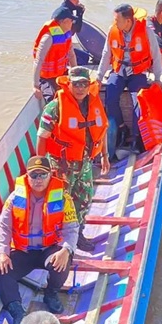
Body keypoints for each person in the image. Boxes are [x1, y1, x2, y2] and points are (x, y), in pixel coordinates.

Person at [0, 156, 79, 324]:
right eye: (34, 175)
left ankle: (51, 293)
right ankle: (17, 309)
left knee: (61, 262)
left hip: (48, 249)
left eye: (43, 174)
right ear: (27, 176)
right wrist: (3, 253)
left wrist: (66, 250)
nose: (38, 179)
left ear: (50, 175)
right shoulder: (14, 198)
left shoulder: (63, 198)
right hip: (23, 251)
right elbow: (3, 226)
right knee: (1, 270)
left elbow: (71, 229)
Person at [36, 65, 109, 251]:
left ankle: (77, 234)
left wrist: (105, 156)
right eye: (76, 84)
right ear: (69, 84)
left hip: (84, 162)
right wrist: (40, 166)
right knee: (59, 201)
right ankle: (53, 238)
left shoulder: (93, 102)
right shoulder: (55, 107)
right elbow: (42, 136)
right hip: (62, 164)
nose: (80, 88)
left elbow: (101, 130)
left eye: (84, 84)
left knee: (84, 199)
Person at [96, 4, 162, 156]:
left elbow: (156, 54)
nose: (114, 22)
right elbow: (107, 54)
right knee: (110, 96)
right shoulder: (113, 30)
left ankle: (135, 137)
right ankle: (120, 128)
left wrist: (157, 79)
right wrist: (99, 77)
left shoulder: (145, 32)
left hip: (137, 72)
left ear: (127, 21)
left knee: (137, 103)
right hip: (119, 71)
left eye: (117, 19)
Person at [32, 6, 78, 101]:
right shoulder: (48, 37)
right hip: (46, 78)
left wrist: (75, 73)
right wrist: (35, 86)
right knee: (51, 98)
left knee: (78, 88)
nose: (72, 23)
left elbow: (71, 55)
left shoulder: (66, 34)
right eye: (71, 21)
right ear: (64, 21)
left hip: (61, 73)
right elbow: (38, 61)